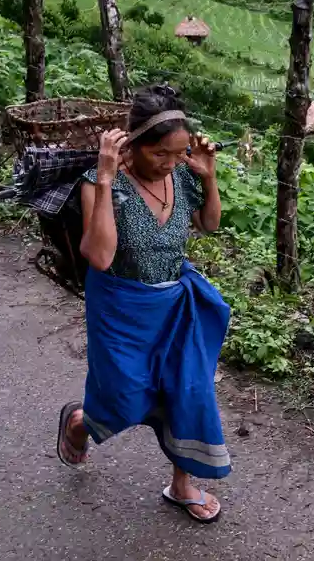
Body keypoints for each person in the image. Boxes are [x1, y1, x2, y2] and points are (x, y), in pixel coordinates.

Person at [56, 84, 231, 524]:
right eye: (160, 153)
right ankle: (78, 422)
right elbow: (100, 257)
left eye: (179, 153)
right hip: (120, 308)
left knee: (187, 391)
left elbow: (209, 224)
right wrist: (106, 178)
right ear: (132, 145)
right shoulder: (100, 183)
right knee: (123, 398)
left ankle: (182, 484)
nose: (170, 163)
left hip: (174, 307)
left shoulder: (182, 176)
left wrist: (208, 177)